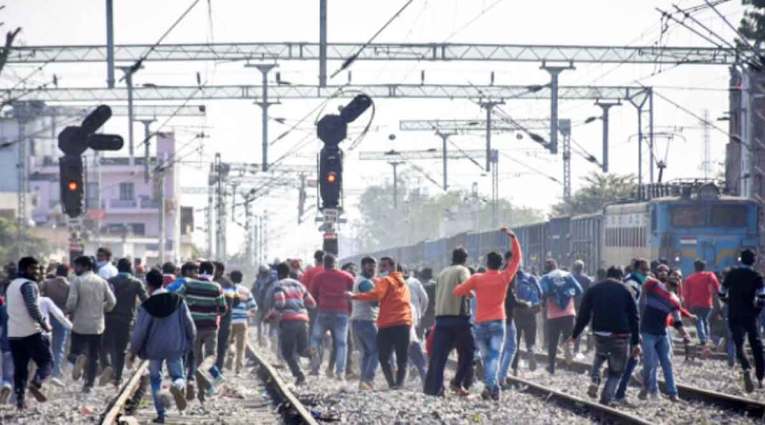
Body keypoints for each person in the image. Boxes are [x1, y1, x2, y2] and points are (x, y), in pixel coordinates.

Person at [452, 229, 521, 400]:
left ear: (487, 263)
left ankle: (491, 388)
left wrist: (469, 292)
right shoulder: (505, 277)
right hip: (498, 322)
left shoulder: (477, 278)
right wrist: (513, 238)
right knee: (494, 357)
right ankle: (492, 387)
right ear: (500, 264)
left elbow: (457, 291)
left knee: (486, 357)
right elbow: (516, 260)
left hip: (480, 323)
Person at [130, 269, 196, 424]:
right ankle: (174, 388)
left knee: (155, 379)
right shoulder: (178, 300)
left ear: (148, 285)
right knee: (178, 376)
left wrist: (133, 351)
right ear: (163, 283)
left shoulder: (147, 305)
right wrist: (190, 342)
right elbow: (189, 324)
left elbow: (140, 331)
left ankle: (161, 414)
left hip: (154, 349)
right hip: (175, 346)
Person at [568, 266, 640, 406]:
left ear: (607, 275)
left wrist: (575, 335)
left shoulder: (594, 289)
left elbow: (584, 315)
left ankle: (595, 379)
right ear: (620, 277)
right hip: (620, 335)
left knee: (600, 355)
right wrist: (636, 342)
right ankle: (606, 398)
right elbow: (634, 317)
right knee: (616, 371)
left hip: (600, 333)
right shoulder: (626, 290)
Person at [351, 256, 412, 389]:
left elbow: (375, 297)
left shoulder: (385, 281)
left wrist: (354, 296)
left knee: (380, 355)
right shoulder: (403, 283)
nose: (379, 269)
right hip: (401, 323)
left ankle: (385, 382)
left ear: (392, 267)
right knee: (399, 356)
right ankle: (397, 384)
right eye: (379, 266)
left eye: (382, 266)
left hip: (387, 324)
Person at [423, 247, 475, 397]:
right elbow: (466, 288)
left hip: (441, 320)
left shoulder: (442, 272)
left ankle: (435, 389)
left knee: (439, 356)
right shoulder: (463, 270)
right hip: (459, 318)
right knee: (468, 352)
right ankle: (457, 382)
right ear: (465, 259)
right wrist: (472, 294)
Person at [175, 261, 228, 400]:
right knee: (210, 356)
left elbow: (176, 298)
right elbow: (223, 309)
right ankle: (210, 381)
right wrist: (211, 311)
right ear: (212, 273)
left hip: (193, 328)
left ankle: (202, 393)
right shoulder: (216, 287)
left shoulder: (188, 284)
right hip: (210, 327)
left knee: (198, 359)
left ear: (199, 271)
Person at [6, 257, 53, 409]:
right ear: (26, 269)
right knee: (47, 362)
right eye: (34, 269)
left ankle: (20, 400)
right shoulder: (29, 285)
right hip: (31, 332)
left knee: (20, 368)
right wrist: (44, 324)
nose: (37, 272)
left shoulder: (11, 285)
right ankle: (36, 382)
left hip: (14, 333)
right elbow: (32, 307)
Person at [638, 264, 690, 402]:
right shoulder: (654, 285)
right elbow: (644, 287)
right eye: (674, 276)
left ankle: (673, 393)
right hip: (647, 331)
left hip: (661, 333)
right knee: (649, 363)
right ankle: (645, 387)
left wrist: (684, 334)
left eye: (679, 278)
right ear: (667, 277)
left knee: (667, 363)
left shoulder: (675, 300)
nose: (676, 279)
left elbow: (677, 320)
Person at [66, 255, 116, 392]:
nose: (75, 269)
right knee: (94, 356)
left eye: (77, 266)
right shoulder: (102, 281)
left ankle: (79, 360)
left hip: (80, 325)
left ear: (86, 267)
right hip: (97, 325)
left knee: (74, 353)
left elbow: (71, 303)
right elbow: (112, 301)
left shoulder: (77, 281)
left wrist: (68, 310)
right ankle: (89, 384)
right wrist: (103, 309)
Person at [720, 249, 765, 392]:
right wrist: (755, 311)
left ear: (741, 259)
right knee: (756, 344)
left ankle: (746, 368)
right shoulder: (757, 276)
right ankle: (760, 378)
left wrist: (729, 302)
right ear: (754, 261)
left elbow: (721, 292)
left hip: (734, 314)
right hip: (749, 315)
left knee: (739, 343)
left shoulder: (731, 274)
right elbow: (762, 297)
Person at [100, 258, 148, 386]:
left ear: (118, 268)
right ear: (130, 268)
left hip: (109, 318)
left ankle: (108, 367)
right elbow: (146, 301)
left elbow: (102, 299)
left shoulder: (110, 281)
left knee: (105, 346)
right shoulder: (136, 283)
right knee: (120, 349)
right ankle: (118, 377)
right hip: (126, 320)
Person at [270, 262, 316, 385]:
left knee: (287, 352)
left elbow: (280, 303)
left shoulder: (278, 285)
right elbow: (312, 303)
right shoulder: (300, 285)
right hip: (303, 319)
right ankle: (312, 352)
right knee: (302, 350)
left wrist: (271, 315)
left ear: (278, 274)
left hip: (289, 321)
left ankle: (299, 376)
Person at [309, 254, 354, 379]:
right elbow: (352, 294)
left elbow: (313, 295)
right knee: (341, 343)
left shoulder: (318, 277)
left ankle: (315, 368)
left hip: (323, 312)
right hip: (342, 313)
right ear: (336, 263)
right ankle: (340, 373)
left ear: (324, 263)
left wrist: (319, 305)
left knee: (315, 339)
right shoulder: (347, 276)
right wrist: (349, 311)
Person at [614, 258, 650, 403]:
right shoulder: (632, 284)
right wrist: (635, 332)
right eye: (643, 270)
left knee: (631, 360)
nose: (646, 273)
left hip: (629, 326)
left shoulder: (635, 282)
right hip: (628, 327)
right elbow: (630, 308)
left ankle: (617, 392)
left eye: (647, 270)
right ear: (636, 269)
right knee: (631, 359)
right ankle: (618, 394)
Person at [539, 258, 582, 374]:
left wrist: (550, 297)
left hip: (553, 315)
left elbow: (541, 294)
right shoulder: (567, 275)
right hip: (569, 313)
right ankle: (569, 361)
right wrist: (568, 294)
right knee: (568, 338)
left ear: (546, 269)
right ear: (556, 266)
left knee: (553, 342)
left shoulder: (545, 278)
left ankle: (551, 367)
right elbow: (579, 290)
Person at [351, 257, 379, 390]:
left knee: (368, 353)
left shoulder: (359, 280)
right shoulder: (365, 282)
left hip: (358, 321)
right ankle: (368, 380)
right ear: (363, 267)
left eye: (374, 268)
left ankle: (363, 381)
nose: (372, 270)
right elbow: (374, 302)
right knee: (376, 350)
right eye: (369, 268)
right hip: (366, 320)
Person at [40, 263, 70, 378]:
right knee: (59, 347)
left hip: (47, 319)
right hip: (62, 318)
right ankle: (56, 371)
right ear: (67, 273)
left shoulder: (47, 283)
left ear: (57, 272)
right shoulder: (69, 286)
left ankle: (45, 370)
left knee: (45, 345)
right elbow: (71, 304)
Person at [511, 266, 543, 374]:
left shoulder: (511, 278)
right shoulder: (531, 278)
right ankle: (530, 349)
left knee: (515, 343)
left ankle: (515, 369)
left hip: (516, 313)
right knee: (530, 339)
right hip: (530, 312)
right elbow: (540, 293)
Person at [682, 259, 721, 349]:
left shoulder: (689, 279)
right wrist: (716, 292)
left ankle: (703, 339)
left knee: (699, 320)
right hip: (707, 303)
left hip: (694, 304)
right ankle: (706, 338)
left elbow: (686, 294)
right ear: (704, 267)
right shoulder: (709, 275)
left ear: (695, 267)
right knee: (705, 321)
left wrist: (687, 307)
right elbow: (716, 285)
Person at [404, 265, 429, 383]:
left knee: (406, 345)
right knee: (415, 342)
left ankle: (411, 367)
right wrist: (421, 313)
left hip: (400, 319)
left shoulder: (392, 282)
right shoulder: (414, 282)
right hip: (414, 317)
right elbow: (425, 299)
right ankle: (418, 370)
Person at [229, 270, 256, 374]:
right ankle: (238, 369)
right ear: (241, 279)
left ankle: (231, 353)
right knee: (241, 347)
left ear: (230, 278)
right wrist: (246, 314)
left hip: (229, 321)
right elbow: (254, 307)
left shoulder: (226, 289)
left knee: (229, 342)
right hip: (242, 321)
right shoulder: (246, 291)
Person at [213, 261, 235, 374]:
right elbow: (236, 301)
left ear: (220, 271)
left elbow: (230, 303)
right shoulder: (228, 283)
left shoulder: (226, 284)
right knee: (218, 346)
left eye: (214, 269)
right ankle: (216, 369)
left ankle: (217, 369)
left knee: (220, 346)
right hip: (220, 319)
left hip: (222, 319)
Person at [571, 260, 593, 354]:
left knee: (572, 326)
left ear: (574, 268)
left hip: (572, 305)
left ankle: (571, 347)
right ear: (582, 268)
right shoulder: (587, 279)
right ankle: (583, 347)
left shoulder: (570, 278)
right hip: (584, 306)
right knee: (583, 326)